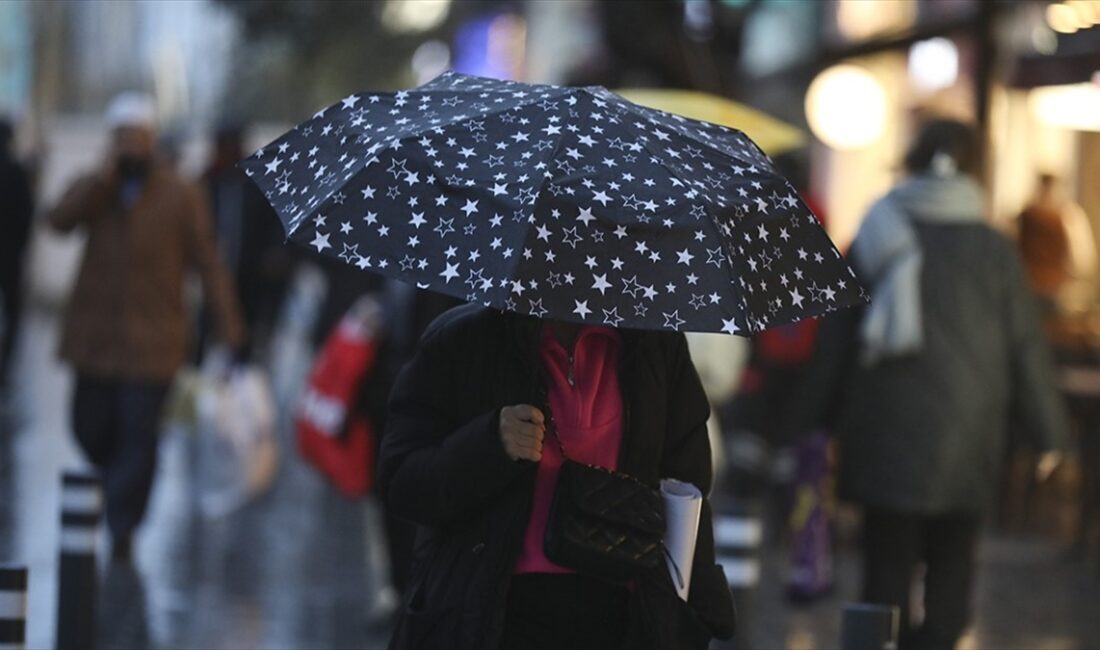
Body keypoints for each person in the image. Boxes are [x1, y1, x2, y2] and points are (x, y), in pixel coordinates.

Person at [793, 120, 1070, 649]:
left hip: (884, 430)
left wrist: (810, 423)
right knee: (953, 564)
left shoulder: (876, 231)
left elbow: (836, 342)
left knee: (885, 570)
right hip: (969, 432)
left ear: (914, 161)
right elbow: (1026, 348)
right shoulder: (995, 250)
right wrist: (1049, 436)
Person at [378, 304, 736, 649]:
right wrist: (488, 443)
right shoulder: (464, 338)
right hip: (497, 618)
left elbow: (686, 489)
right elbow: (402, 481)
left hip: (624, 619)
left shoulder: (656, 345)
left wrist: (693, 619)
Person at [47, 92, 245, 559]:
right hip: (95, 341)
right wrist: (102, 180)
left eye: (137, 136)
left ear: (152, 139)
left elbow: (208, 261)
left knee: (139, 438)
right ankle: (113, 487)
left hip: (156, 343)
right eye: (122, 136)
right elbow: (58, 221)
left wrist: (229, 326)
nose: (130, 145)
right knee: (89, 426)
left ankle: (123, 524)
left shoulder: (181, 192)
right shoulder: (98, 186)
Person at [198, 122, 292, 362]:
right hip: (213, 275)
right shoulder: (205, 184)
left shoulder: (257, 184)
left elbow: (274, 225)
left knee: (246, 338)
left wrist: (272, 254)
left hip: (251, 275)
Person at [0, 117, 34, 391]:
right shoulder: (16, 171)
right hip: (10, 256)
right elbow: (26, 215)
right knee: (13, 314)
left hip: (10, 253)